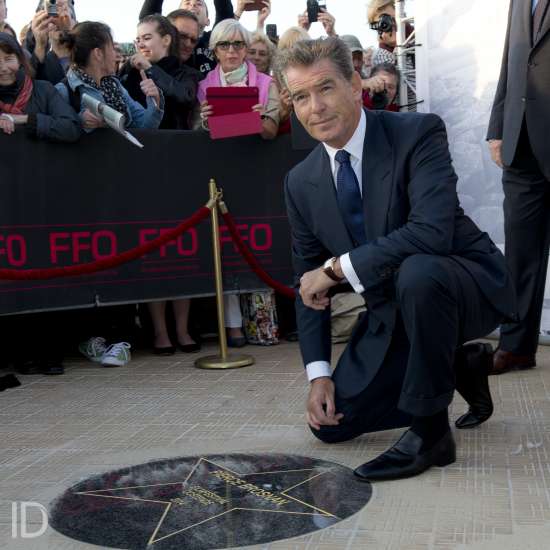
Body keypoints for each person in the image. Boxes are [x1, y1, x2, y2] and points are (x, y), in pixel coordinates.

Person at [278, 37, 517, 482]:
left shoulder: (417, 133)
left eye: (326, 88)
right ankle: (458, 366)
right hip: (392, 313)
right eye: (301, 97)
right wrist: (318, 375)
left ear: (355, 85)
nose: (316, 108)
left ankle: (430, 433)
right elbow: (307, 285)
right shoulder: (300, 181)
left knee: (418, 270)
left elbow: (431, 232)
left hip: (463, 286)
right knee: (332, 425)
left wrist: (335, 270)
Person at [487, 0, 550, 375]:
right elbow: (511, 58)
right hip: (521, 142)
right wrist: (498, 126)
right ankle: (517, 347)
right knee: (521, 254)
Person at [56, 21, 164, 132]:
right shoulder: (63, 90)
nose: (117, 56)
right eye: (112, 49)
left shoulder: (114, 85)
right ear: (98, 54)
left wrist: (154, 101)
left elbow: (144, 127)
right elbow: (55, 132)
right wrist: (79, 121)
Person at [196, 19, 280, 140]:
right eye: (224, 45)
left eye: (238, 44)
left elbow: (271, 132)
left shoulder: (267, 84)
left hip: (254, 150)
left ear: (245, 49)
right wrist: (205, 122)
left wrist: (260, 120)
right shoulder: (203, 87)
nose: (231, 50)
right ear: (216, 51)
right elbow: (195, 134)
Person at [120, 14, 199, 130]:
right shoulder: (131, 71)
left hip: (171, 139)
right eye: (138, 40)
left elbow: (186, 98)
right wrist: (127, 67)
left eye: (147, 38)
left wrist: (150, 68)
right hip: (131, 139)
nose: (140, 44)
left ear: (166, 40)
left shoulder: (188, 74)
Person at [0, 32, 80, 141]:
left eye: (8, 59)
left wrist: (26, 119)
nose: (3, 68)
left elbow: (71, 128)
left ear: (19, 60)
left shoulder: (43, 90)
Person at [139, 0, 235, 75]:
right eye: (187, 3)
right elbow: (149, 20)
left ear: (207, 21)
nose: (193, 5)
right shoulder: (163, 42)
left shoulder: (213, 39)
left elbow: (225, 18)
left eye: (199, 4)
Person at [30, 2, 75, 85]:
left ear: (75, 22)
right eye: (52, 16)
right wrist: (40, 45)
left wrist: (70, 33)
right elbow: (29, 82)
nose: (57, 21)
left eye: (63, 15)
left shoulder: (88, 54)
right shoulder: (41, 61)